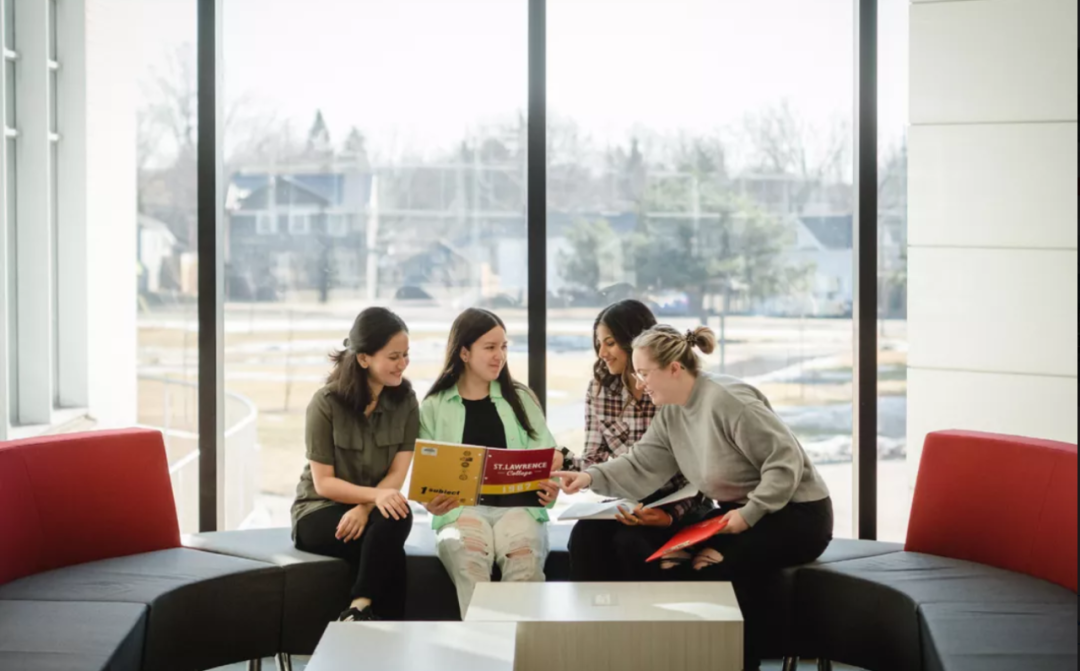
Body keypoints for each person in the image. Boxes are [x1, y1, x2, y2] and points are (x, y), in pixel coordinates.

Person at [554, 325, 833, 670]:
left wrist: (751, 513)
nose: (640, 383)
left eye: (644, 373)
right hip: (737, 513)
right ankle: (664, 656)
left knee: (710, 565)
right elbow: (642, 463)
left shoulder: (729, 401)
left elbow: (784, 460)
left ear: (675, 368)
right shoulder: (672, 411)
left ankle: (739, 663)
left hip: (796, 514)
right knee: (670, 558)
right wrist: (588, 476)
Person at [419, 307, 562, 616]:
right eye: (490, 347)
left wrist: (552, 487)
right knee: (470, 562)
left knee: (524, 562)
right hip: (461, 512)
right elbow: (425, 478)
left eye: (504, 347)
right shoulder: (433, 406)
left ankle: (524, 653)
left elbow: (548, 457)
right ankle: (486, 653)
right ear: (465, 352)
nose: (500, 356)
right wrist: (430, 501)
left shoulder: (521, 399)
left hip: (519, 508)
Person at [566, 300, 710, 581]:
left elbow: (700, 472)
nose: (601, 352)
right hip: (629, 501)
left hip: (683, 502)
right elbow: (594, 458)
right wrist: (568, 470)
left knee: (631, 544)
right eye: (598, 343)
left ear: (634, 341)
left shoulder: (671, 387)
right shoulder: (600, 388)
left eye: (609, 343)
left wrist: (670, 514)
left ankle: (644, 624)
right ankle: (589, 622)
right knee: (585, 535)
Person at [290, 307, 418, 622]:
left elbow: (397, 475)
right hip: (318, 510)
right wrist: (374, 498)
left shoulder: (406, 401)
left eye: (406, 355)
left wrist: (365, 507)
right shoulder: (325, 403)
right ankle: (385, 639)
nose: (402, 364)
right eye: (393, 357)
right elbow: (324, 483)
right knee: (391, 542)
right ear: (364, 359)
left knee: (395, 517)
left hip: (370, 512)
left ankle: (358, 608)